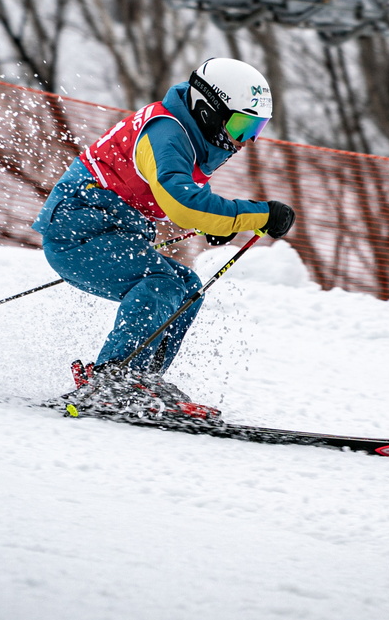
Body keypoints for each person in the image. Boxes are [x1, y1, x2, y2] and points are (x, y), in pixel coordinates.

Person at [32, 57, 295, 411]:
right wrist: (255, 214)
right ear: (208, 110)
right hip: (77, 233)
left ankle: (142, 379)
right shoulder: (166, 133)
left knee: (187, 287)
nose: (246, 140)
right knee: (160, 284)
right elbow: (183, 204)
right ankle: (114, 378)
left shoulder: (193, 136)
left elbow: (177, 195)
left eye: (256, 129)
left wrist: (213, 224)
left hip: (111, 231)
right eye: (242, 125)